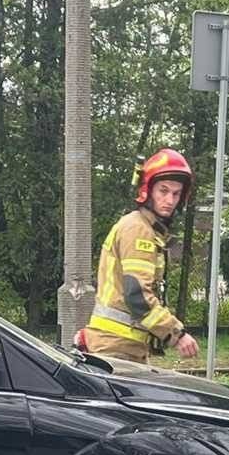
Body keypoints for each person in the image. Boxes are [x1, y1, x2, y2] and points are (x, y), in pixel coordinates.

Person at [81, 148, 201, 364]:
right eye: (163, 191)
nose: (169, 200)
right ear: (148, 190)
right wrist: (177, 334)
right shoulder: (139, 230)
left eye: (176, 194)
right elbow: (137, 296)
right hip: (116, 348)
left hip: (121, 346)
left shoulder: (143, 227)